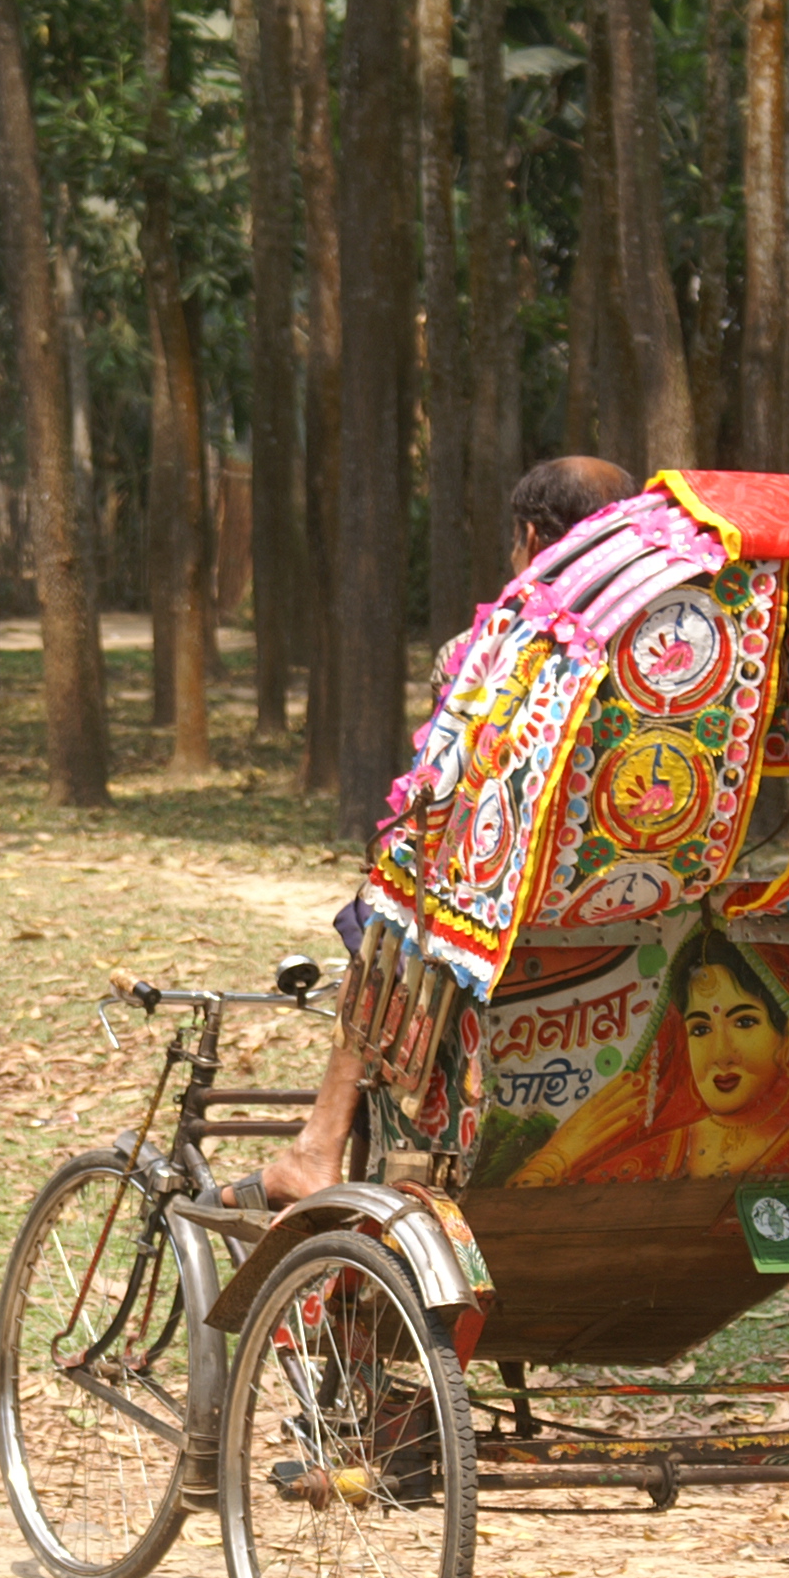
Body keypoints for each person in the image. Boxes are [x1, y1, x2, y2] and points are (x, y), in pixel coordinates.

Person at [236, 455, 638, 1209]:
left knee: (379, 914)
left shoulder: (491, 648)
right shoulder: (671, 656)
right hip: (640, 899)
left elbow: (440, 803)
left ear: (530, 538)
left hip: (507, 919)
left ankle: (320, 1144)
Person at [508, 925, 789, 1187]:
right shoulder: (672, 1147)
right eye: (700, 1029)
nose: (720, 1055)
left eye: (744, 1022)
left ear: (788, 1034)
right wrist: (558, 1158)